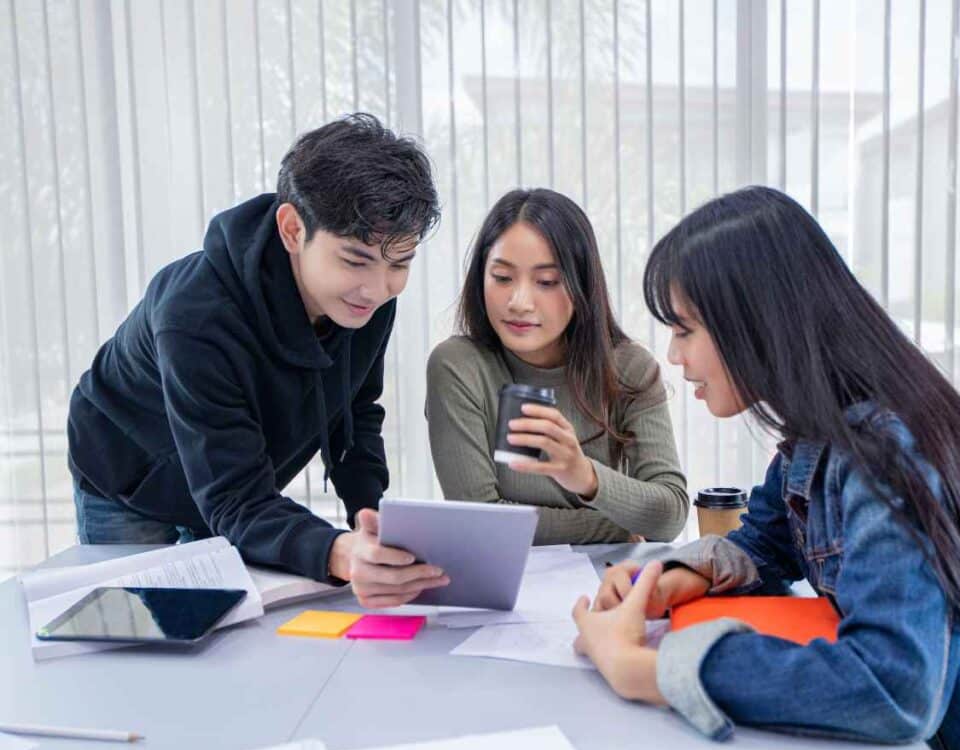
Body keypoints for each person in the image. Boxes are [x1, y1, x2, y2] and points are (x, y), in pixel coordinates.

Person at [571, 186, 960, 750]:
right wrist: (671, 578)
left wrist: (647, 670)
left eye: (685, 330)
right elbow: (766, 540)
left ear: (756, 324)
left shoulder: (886, 457)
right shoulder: (819, 436)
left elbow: (893, 686)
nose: (674, 355)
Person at [68, 113, 448, 608]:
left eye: (400, 264)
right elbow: (234, 500)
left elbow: (355, 412)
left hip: (228, 475)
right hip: (128, 477)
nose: (379, 288)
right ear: (293, 229)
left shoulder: (366, 298)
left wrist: (370, 517)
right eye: (355, 260)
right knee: (142, 642)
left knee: (232, 641)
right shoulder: (195, 315)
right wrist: (338, 553)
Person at [426, 188, 688, 544]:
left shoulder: (629, 369)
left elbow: (670, 514)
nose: (519, 303)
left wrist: (584, 476)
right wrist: (616, 527)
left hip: (607, 585)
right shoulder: (459, 367)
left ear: (582, 286)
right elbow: (481, 522)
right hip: (505, 584)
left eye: (546, 282)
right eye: (502, 278)